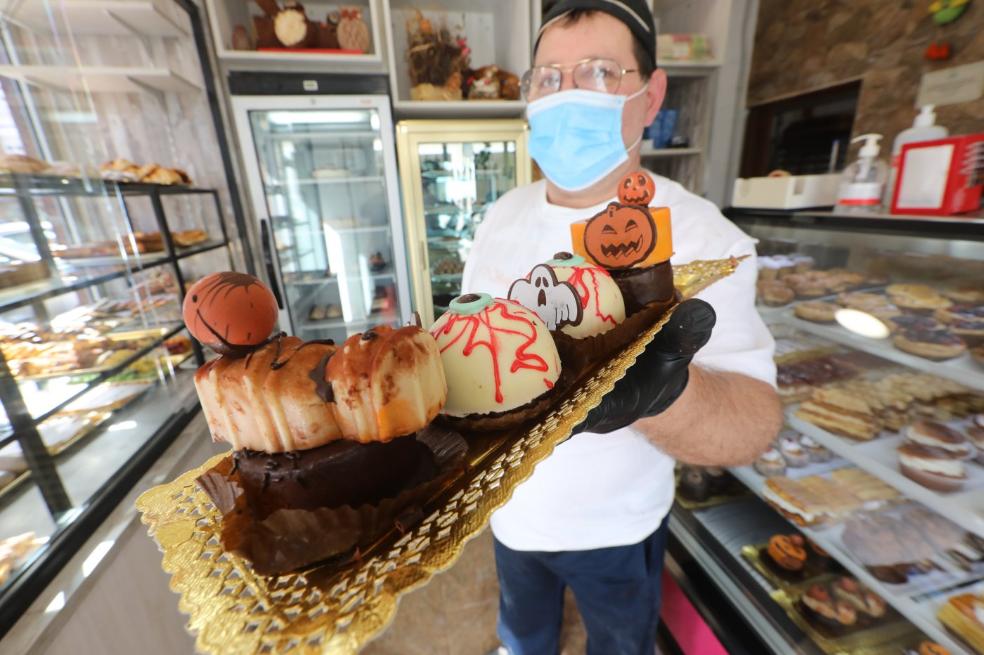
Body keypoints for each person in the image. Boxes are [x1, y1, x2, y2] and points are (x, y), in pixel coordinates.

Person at [460, 1, 784, 653]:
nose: (565, 95)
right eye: (548, 78)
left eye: (600, 72)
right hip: (510, 518)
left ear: (650, 92)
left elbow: (754, 423)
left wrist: (659, 391)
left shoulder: (703, 239)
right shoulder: (502, 213)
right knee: (524, 638)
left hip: (616, 528)